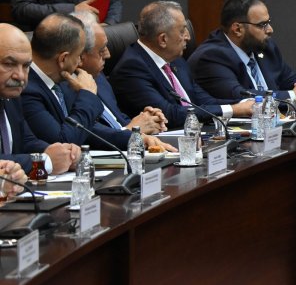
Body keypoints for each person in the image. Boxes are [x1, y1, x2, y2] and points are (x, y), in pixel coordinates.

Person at [22, 13, 171, 153]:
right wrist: (87, 95)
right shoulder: (28, 90)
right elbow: (63, 142)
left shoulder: (59, 80)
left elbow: (89, 131)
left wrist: (135, 138)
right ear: (63, 59)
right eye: (79, 55)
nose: (80, 62)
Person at [109, 1, 254, 128]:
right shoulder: (131, 69)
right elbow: (170, 114)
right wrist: (234, 109)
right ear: (163, 39)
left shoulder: (176, 59)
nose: (188, 37)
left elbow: (203, 100)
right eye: (182, 30)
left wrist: (246, 103)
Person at [189, 0, 296, 104]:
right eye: (262, 25)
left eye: (268, 23)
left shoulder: (266, 48)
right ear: (237, 29)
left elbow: (293, 81)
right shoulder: (212, 57)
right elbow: (241, 97)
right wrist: (294, 96)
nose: (270, 30)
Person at [71, 11, 169, 137]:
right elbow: (89, 135)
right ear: (79, 57)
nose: (108, 55)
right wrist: (133, 130)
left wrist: (147, 121)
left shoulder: (99, 77)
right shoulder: (66, 90)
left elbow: (118, 120)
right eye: (101, 50)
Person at [0, 23, 79, 174]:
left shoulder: (11, 95)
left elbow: (26, 141)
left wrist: (62, 153)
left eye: (26, 66)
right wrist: (45, 162)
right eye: (9, 64)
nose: (20, 76)